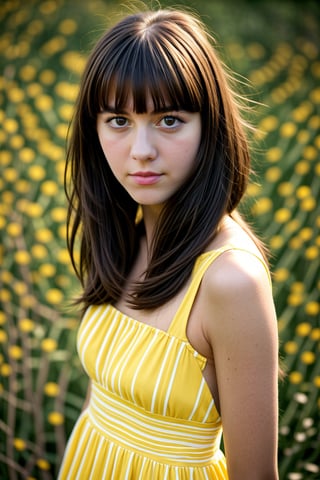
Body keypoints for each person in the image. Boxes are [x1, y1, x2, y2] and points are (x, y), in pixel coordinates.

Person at [58, 8, 279, 480]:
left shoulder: (230, 280)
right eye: (118, 119)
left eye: (169, 120)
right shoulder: (127, 232)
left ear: (210, 127)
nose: (141, 150)